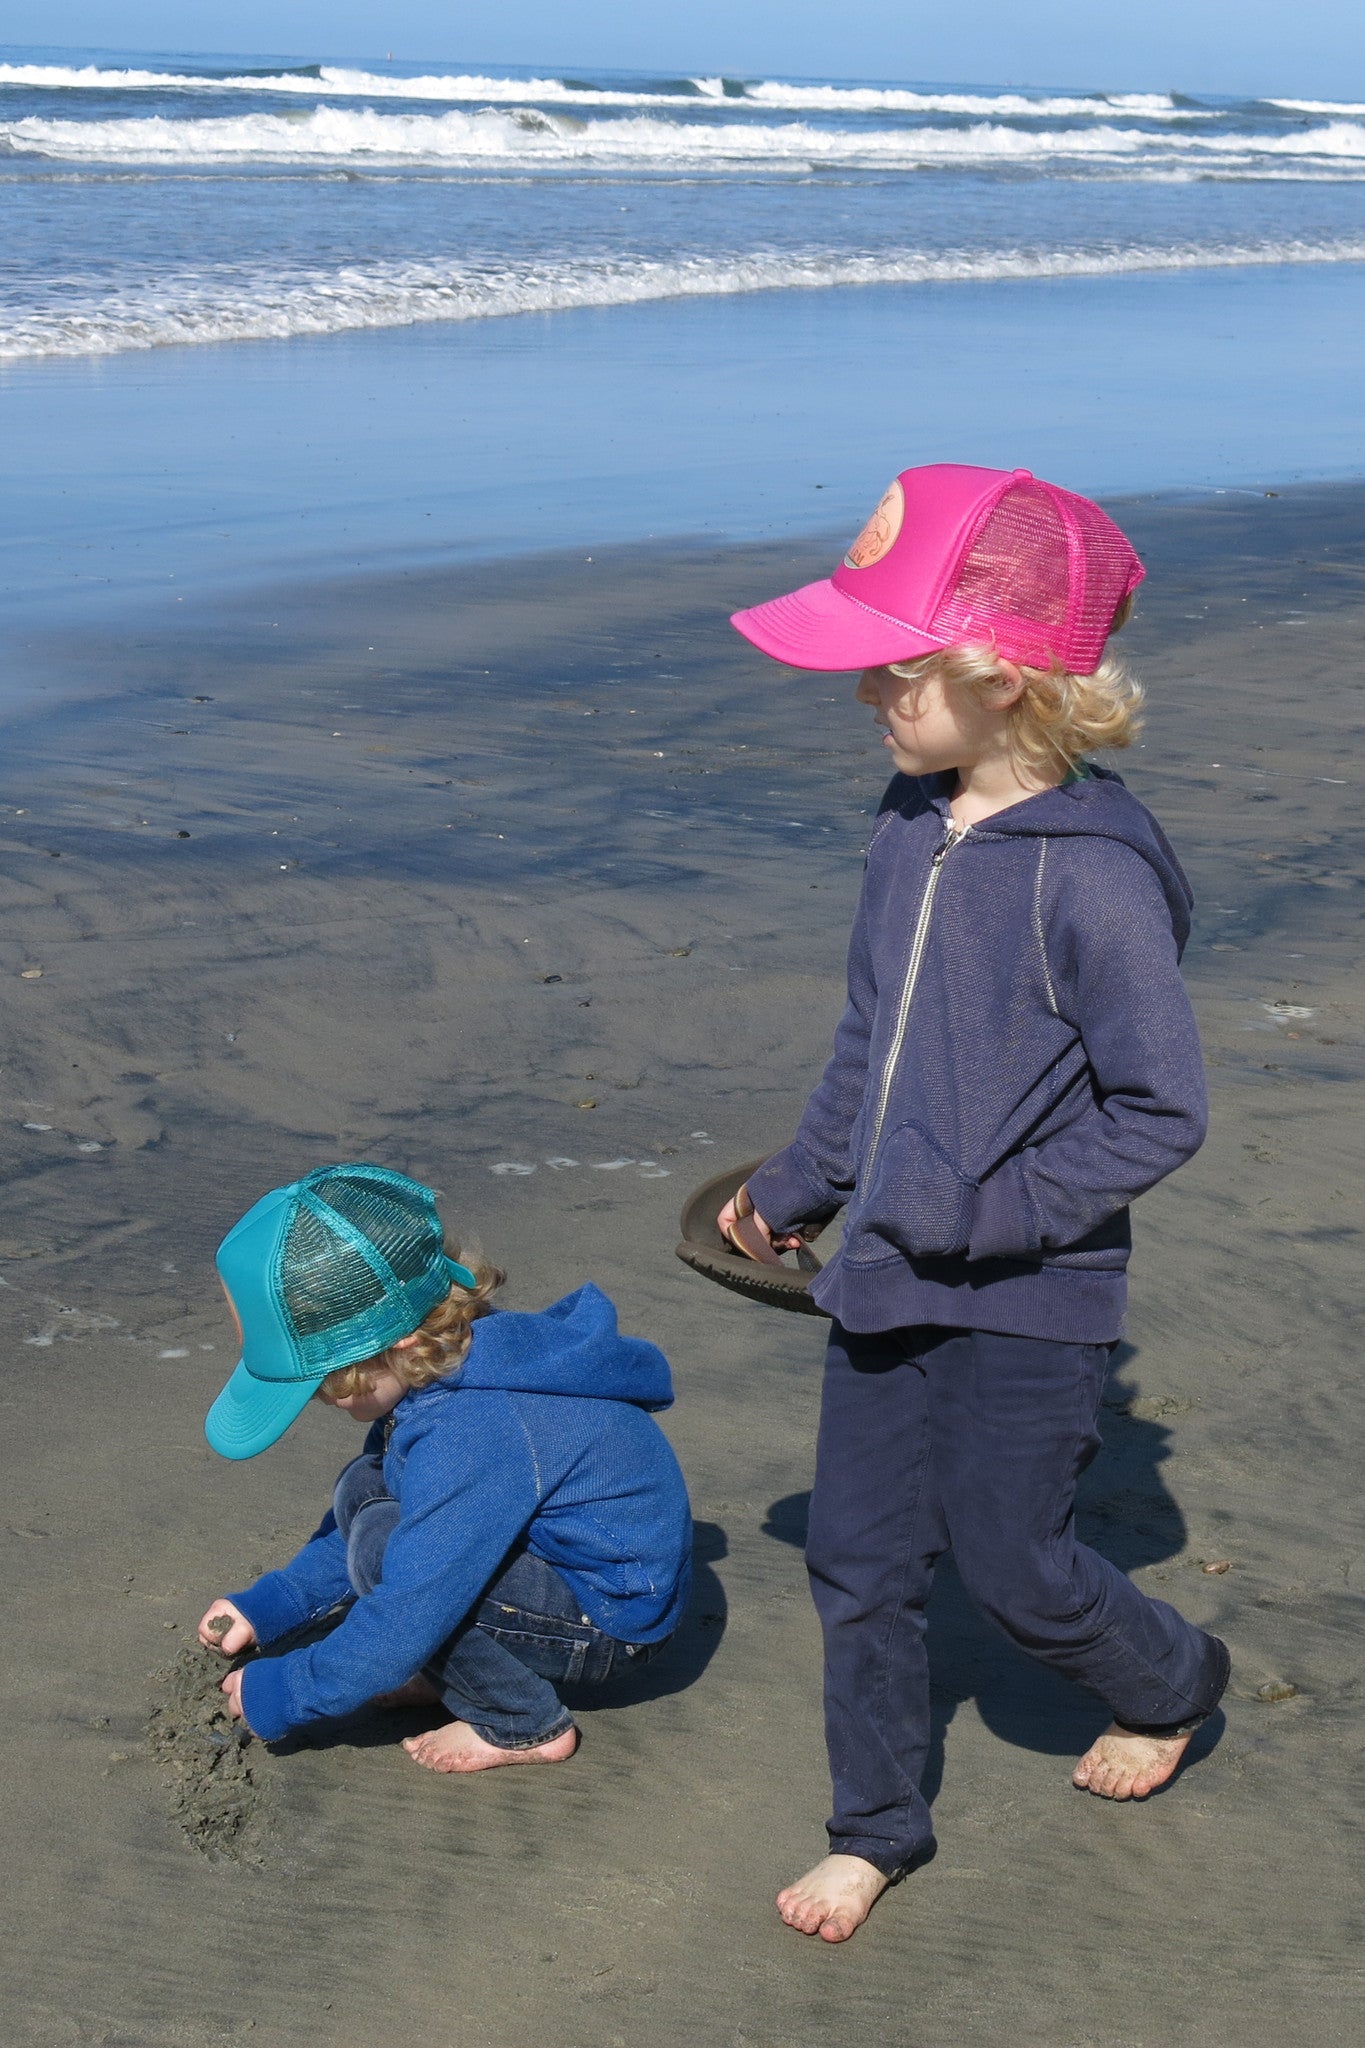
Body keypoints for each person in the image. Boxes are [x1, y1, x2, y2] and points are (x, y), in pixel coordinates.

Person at [721, 463, 1229, 1942]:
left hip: (1028, 1292)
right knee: (859, 1565)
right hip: (878, 1271)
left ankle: (1171, 1682)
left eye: (895, 667)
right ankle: (873, 1829)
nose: (868, 691)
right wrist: (802, 1180)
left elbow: (1161, 1110)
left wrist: (980, 1210)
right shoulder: (904, 820)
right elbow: (866, 1043)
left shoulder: (1095, 885)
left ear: (1000, 677)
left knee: (1018, 1571)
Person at [197, 1162, 692, 1771]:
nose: (323, 1401)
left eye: (330, 1383)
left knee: (386, 1551)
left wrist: (287, 1691)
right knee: (367, 1485)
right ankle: (457, 1671)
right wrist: (273, 1604)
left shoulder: (475, 1429)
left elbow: (412, 1605)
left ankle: (521, 1721)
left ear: (398, 1342)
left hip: (610, 1618)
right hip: (560, 1564)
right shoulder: (450, 1361)